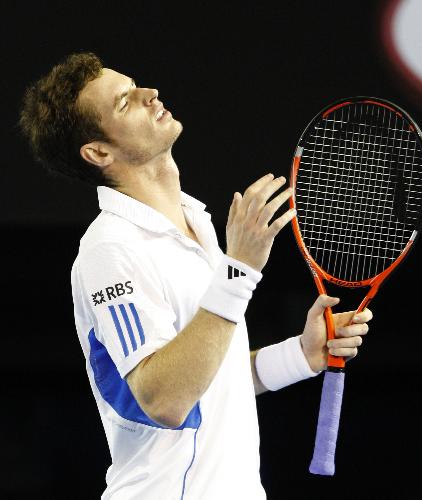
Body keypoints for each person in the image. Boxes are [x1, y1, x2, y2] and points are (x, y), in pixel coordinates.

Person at [19, 52, 372, 500]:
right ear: (98, 152)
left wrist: (299, 356)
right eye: (125, 102)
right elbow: (164, 399)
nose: (150, 95)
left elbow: (208, 381)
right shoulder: (110, 249)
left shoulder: (195, 221)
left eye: (136, 85)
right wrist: (238, 270)